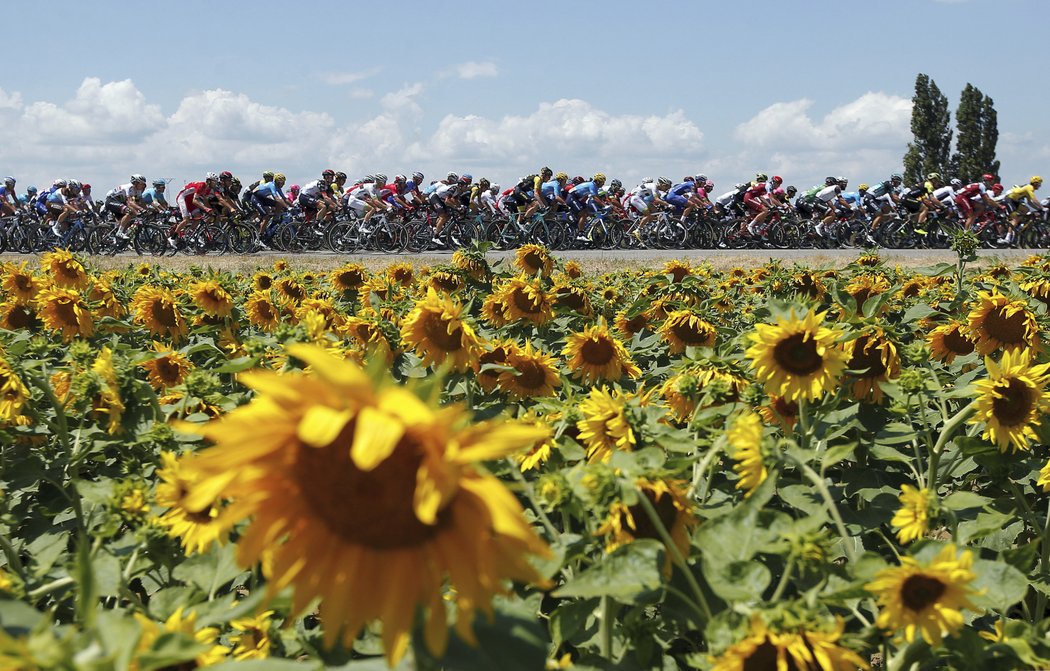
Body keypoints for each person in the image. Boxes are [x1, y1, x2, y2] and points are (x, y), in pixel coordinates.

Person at [171, 172, 222, 244]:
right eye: (214, 182)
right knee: (186, 219)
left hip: (190, 199)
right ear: (209, 181)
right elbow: (194, 201)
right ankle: (172, 238)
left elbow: (205, 201)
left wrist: (211, 211)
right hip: (182, 197)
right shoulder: (201, 185)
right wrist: (206, 209)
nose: (215, 183)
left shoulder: (208, 189)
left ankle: (188, 235)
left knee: (198, 217)